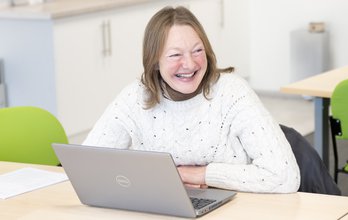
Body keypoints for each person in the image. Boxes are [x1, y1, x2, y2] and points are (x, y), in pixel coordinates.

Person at [83, 6, 300, 193]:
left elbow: (285, 176)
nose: (189, 64)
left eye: (197, 51)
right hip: (162, 207)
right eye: (175, 55)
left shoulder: (232, 92)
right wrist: (167, 179)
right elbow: (87, 166)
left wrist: (200, 175)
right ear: (155, 61)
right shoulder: (135, 98)